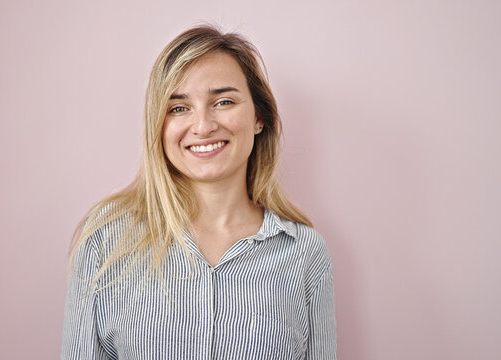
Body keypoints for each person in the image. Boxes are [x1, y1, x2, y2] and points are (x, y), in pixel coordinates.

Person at [61, 24, 336, 360]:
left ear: (258, 117)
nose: (203, 126)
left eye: (223, 101)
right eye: (179, 108)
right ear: (158, 126)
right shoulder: (106, 240)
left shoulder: (304, 253)